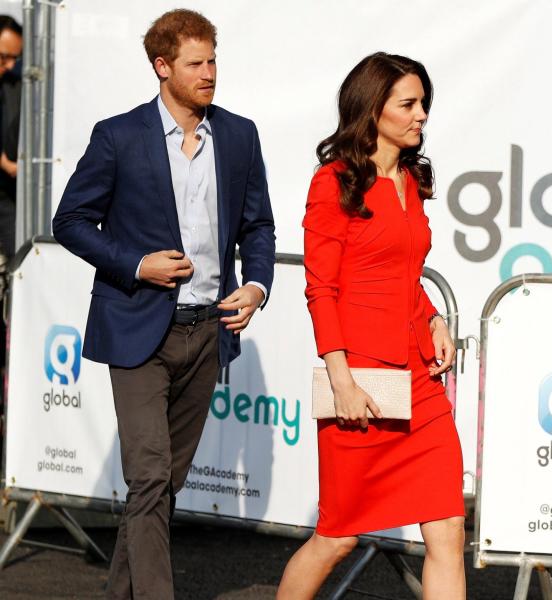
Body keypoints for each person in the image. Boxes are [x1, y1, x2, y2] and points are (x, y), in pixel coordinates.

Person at [51, 9, 275, 599]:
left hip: (207, 334)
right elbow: (70, 221)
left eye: (213, 61)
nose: (209, 73)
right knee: (149, 478)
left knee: (160, 488)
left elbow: (258, 225)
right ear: (162, 66)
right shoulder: (118, 135)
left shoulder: (238, 135)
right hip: (137, 330)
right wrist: (135, 263)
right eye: (196, 64)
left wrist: (256, 285)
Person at [278, 52, 465, 600]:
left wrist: (434, 319)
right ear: (372, 108)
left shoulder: (411, 179)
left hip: (420, 382)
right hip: (361, 380)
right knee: (337, 536)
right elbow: (322, 290)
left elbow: (404, 278)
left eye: (423, 103)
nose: (421, 114)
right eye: (408, 103)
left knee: (449, 530)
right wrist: (342, 383)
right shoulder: (333, 182)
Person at [0, 14, 21, 263]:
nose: (9, 64)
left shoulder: (14, 85)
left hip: (8, 194)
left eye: (15, 58)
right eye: (4, 56)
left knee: (17, 260)